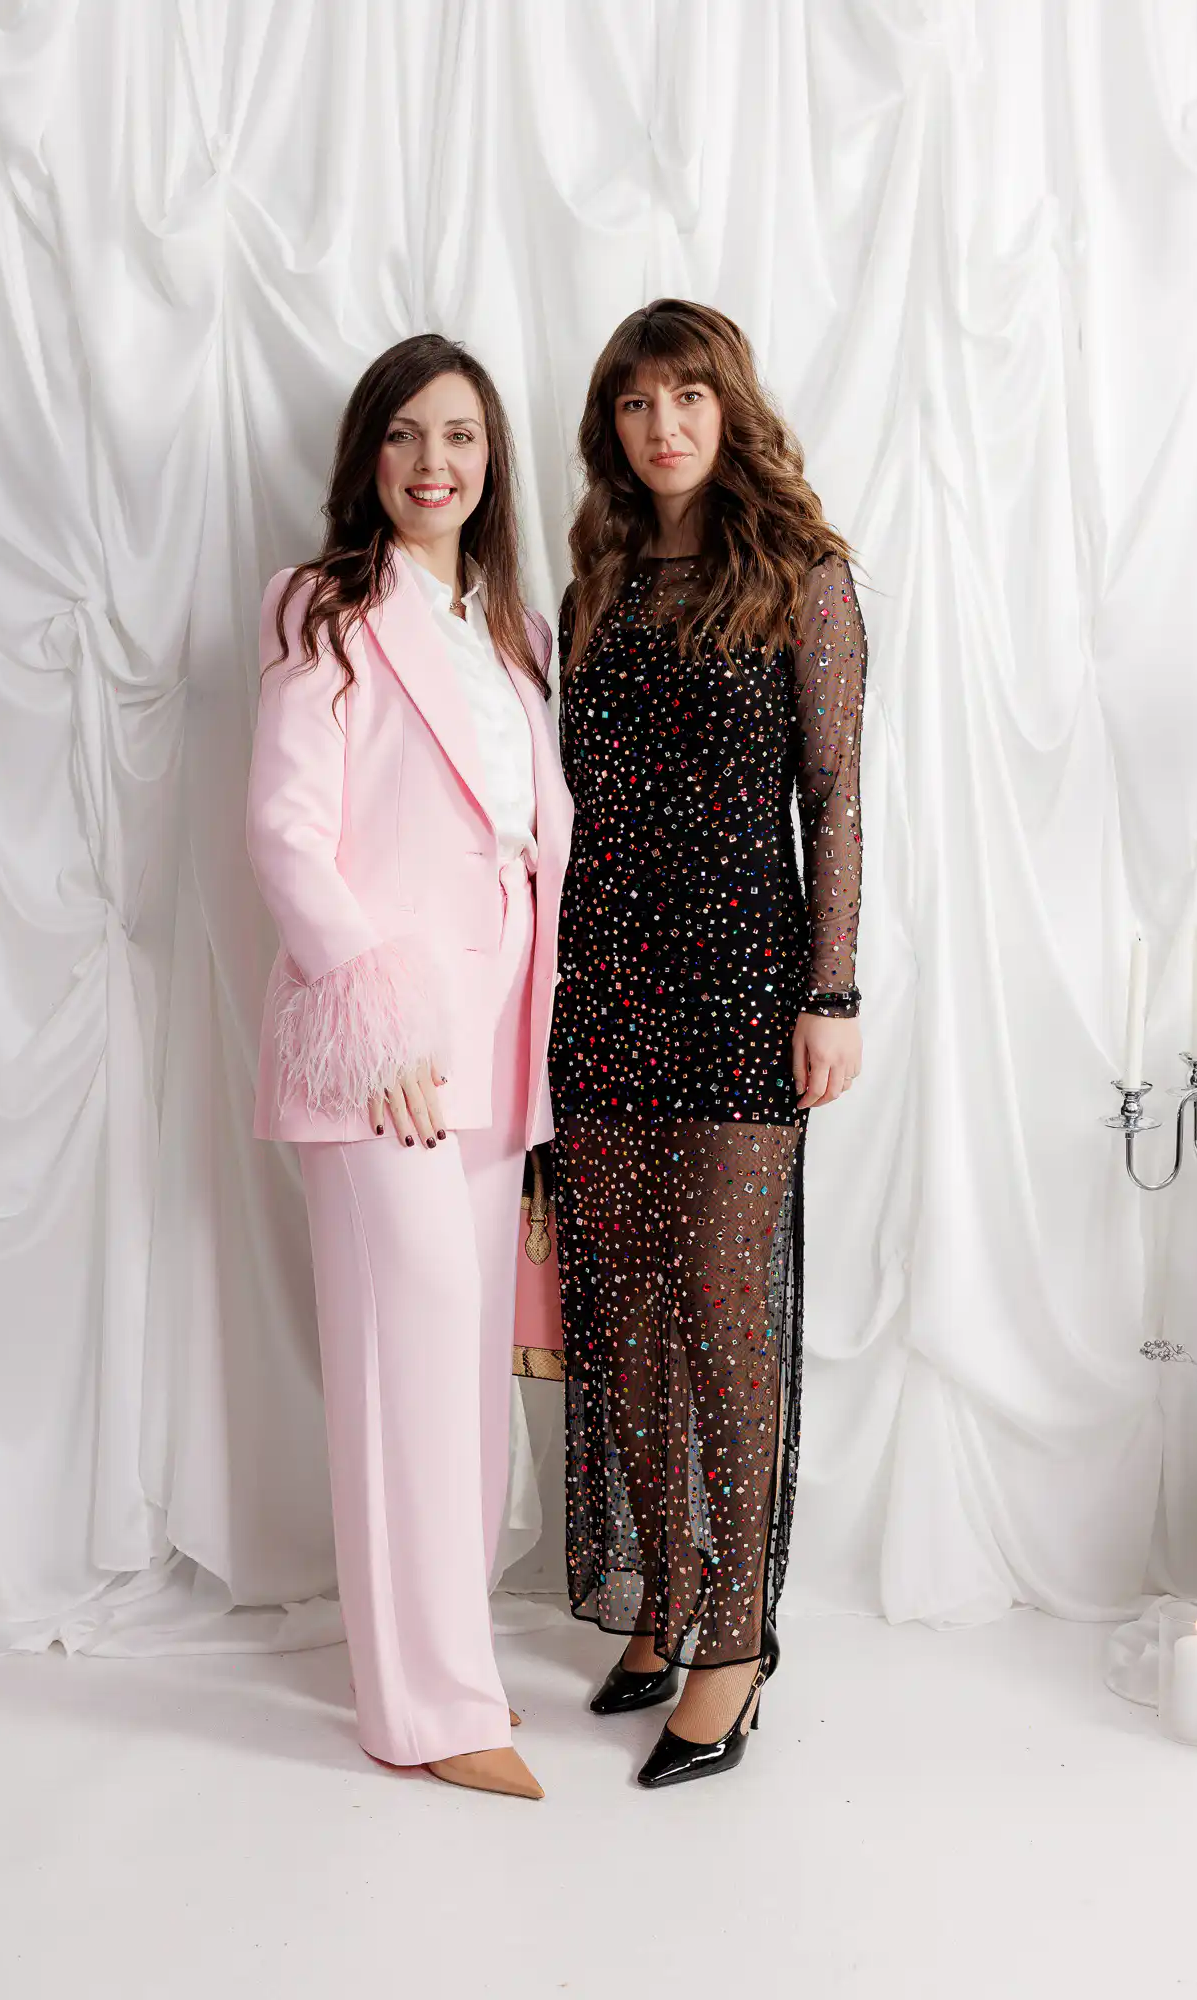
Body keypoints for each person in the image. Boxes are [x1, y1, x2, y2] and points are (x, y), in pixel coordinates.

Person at [246, 333, 573, 1801]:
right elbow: (283, 833)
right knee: (405, 1362)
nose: (434, 462)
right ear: (367, 456)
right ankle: (427, 1710)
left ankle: (455, 1667)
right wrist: (371, 1013)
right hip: (377, 1045)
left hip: (499, 1038)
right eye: (405, 435)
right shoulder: (323, 607)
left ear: (491, 460)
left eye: (461, 436)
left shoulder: (516, 631)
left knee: (464, 1368)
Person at [551, 299, 866, 1788]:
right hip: (601, 982)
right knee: (621, 1310)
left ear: (729, 407)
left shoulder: (804, 575)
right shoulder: (592, 584)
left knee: (725, 1311)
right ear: (610, 428)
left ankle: (735, 1641)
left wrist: (831, 993)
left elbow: (836, 797)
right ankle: (665, 1591)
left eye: (686, 396)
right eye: (635, 403)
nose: (662, 425)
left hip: (744, 987)